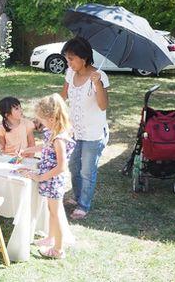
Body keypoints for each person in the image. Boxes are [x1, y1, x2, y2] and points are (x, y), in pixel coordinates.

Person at [19, 94, 75, 259]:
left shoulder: (59, 139)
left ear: (51, 118)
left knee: (55, 213)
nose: (40, 123)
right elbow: (45, 147)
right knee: (51, 211)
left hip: (53, 180)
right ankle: (51, 237)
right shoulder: (54, 132)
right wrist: (29, 150)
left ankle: (58, 249)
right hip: (50, 178)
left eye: (41, 120)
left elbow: (61, 166)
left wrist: (40, 178)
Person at [60, 36, 109, 220]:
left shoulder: (100, 76)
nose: (69, 62)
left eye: (71, 58)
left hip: (93, 133)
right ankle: (79, 196)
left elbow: (103, 106)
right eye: (67, 58)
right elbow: (63, 95)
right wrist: (52, 110)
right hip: (75, 130)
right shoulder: (70, 73)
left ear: (84, 57)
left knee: (87, 170)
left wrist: (97, 84)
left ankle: (83, 205)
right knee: (73, 165)